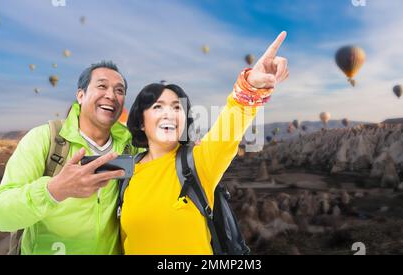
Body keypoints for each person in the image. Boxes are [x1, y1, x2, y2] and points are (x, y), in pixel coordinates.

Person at [121, 32, 289, 254]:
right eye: (158, 106)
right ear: (141, 122)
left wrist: (251, 85)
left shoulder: (198, 161)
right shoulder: (126, 175)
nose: (169, 114)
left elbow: (232, 119)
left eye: (177, 107)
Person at [0, 61, 142, 255]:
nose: (111, 95)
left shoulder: (130, 145)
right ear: (81, 95)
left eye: (119, 90)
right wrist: (54, 191)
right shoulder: (44, 139)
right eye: (102, 86)